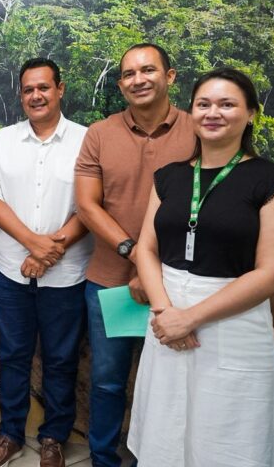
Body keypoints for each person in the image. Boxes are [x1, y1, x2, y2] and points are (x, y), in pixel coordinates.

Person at [127, 68, 274, 466]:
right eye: (203, 104)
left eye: (227, 104)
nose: (213, 113)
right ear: (191, 112)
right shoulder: (170, 177)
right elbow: (147, 249)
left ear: (251, 114)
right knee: (166, 429)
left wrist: (190, 318)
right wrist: (165, 312)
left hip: (233, 322)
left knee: (230, 435)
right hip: (166, 315)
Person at [74, 43, 196, 467]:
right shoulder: (100, 133)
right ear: (120, 83)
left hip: (180, 285)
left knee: (173, 383)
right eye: (128, 73)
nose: (138, 79)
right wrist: (135, 255)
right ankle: (103, 459)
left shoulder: (198, 131)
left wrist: (153, 270)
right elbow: (88, 206)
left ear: (170, 76)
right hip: (111, 282)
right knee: (107, 381)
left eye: (148, 70)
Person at [0, 59, 94, 467]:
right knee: (12, 354)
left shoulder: (86, 140)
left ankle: (53, 438)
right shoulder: (4, 140)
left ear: (60, 89)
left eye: (44, 87)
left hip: (67, 275)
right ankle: (10, 434)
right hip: (11, 271)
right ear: (20, 95)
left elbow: (93, 205)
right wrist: (33, 245)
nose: (36, 95)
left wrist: (50, 251)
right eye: (28, 89)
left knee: (61, 359)